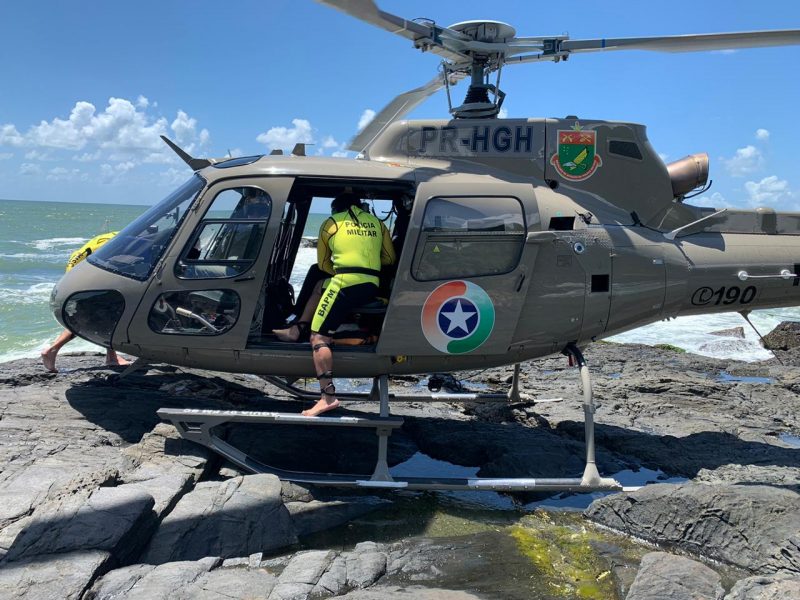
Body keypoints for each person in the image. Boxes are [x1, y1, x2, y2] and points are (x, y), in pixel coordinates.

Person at [273, 192, 395, 416]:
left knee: (318, 337)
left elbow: (323, 263)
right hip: (371, 284)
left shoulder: (331, 223)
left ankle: (327, 397)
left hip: (345, 283)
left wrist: (343, 269)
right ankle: (295, 330)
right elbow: (388, 258)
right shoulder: (378, 223)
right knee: (321, 284)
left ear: (335, 209)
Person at [41, 232, 131, 372]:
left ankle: (111, 357)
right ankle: (53, 349)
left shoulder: (113, 235)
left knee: (103, 317)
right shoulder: (127, 241)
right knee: (100, 317)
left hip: (75, 276)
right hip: (87, 280)